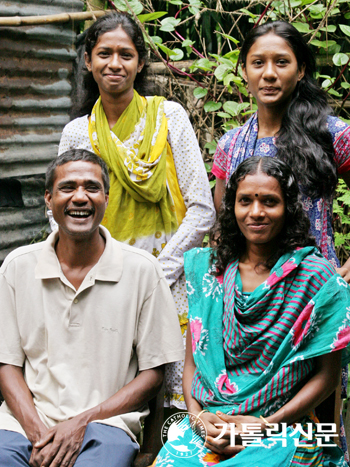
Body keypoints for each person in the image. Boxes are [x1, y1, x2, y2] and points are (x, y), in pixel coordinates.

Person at [51, 11, 215, 409]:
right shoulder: (78, 132)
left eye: (125, 54)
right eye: (104, 53)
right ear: (88, 61)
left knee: (177, 393)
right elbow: (59, 209)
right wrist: (99, 272)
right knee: (111, 389)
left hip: (170, 280)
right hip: (101, 281)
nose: (114, 64)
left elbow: (202, 207)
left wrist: (158, 271)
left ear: (140, 62)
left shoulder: (169, 117)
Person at [154, 156, 350, 467]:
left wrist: (265, 424)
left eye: (270, 201)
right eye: (245, 201)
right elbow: (193, 361)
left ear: (288, 208)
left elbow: (327, 377)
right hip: (211, 423)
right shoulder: (208, 270)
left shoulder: (316, 276)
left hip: (287, 425)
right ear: (232, 206)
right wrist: (197, 418)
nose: (256, 212)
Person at [0, 149, 185, 467]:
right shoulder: (17, 266)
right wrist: (38, 433)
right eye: (68, 187)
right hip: (22, 423)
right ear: (48, 198)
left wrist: (82, 422)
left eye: (92, 187)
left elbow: (153, 374)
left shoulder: (142, 270)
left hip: (107, 425)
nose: (80, 197)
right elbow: (8, 365)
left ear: (107, 198)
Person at [212, 21, 350, 280]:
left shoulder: (331, 134)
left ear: (300, 71)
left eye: (282, 62)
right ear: (244, 71)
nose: (269, 73)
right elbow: (223, 222)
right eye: (258, 63)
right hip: (249, 294)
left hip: (316, 290)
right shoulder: (230, 144)